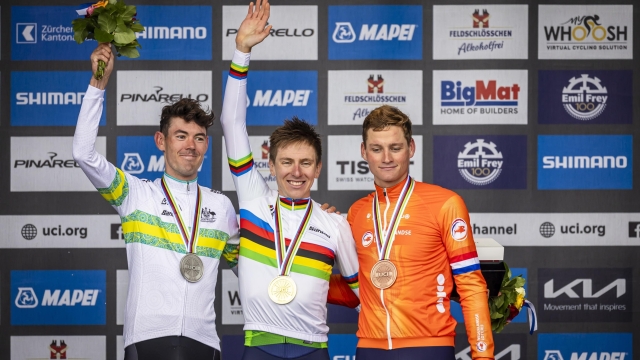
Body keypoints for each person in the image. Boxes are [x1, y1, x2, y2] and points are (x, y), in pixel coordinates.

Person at [72, 43, 239, 360]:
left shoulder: (222, 207)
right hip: (146, 339)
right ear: (161, 141)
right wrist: (98, 83)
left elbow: (245, 265)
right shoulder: (133, 193)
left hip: (204, 343)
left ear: (206, 145)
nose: (190, 145)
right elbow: (83, 154)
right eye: (181, 135)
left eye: (199, 137)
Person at [220, 1, 360, 359]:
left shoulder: (335, 225)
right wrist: (242, 51)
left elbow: (366, 298)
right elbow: (231, 125)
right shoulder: (252, 198)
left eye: (305, 163)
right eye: (286, 162)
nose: (296, 172)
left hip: (314, 349)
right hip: (258, 346)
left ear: (318, 169)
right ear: (269, 163)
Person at [328, 105, 495, 360]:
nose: (386, 158)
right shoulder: (356, 213)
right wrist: (304, 280)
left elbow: (470, 284)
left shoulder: (445, 203)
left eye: (395, 148)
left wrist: (483, 356)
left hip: (429, 347)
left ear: (411, 148)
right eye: (376, 149)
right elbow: (357, 289)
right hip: (369, 349)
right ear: (364, 152)